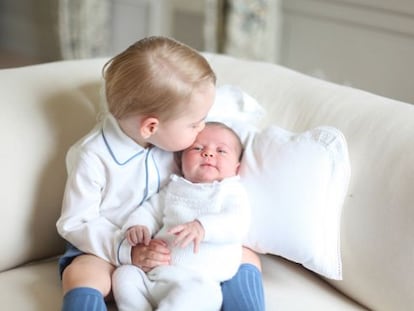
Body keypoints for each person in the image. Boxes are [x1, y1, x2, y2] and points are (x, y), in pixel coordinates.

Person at [56, 36, 264, 311]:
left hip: (178, 246)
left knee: (246, 256)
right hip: (110, 249)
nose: (201, 128)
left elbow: (222, 109)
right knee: (82, 272)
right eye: (194, 124)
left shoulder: (176, 133)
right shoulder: (93, 157)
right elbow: (75, 222)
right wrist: (128, 251)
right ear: (151, 127)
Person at [112, 122, 249, 311]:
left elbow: (238, 222)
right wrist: (138, 226)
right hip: (155, 275)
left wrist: (203, 227)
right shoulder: (174, 188)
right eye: (198, 148)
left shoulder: (231, 191)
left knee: (204, 295)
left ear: (237, 167)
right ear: (181, 160)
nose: (208, 153)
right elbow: (150, 210)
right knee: (124, 274)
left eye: (221, 151)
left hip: (199, 280)